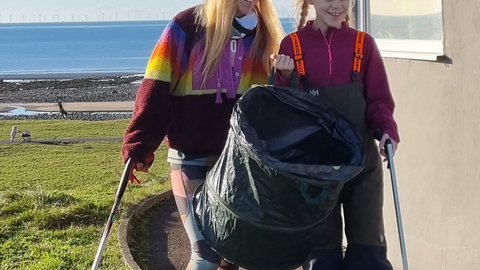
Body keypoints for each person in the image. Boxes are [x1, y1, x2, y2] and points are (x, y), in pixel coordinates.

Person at [121, 1, 284, 269]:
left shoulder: (266, 34)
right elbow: (156, 87)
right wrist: (139, 143)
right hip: (190, 159)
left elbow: (271, 104)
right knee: (206, 255)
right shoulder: (185, 27)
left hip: (240, 167)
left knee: (233, 254)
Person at [272, 0, 399, 269]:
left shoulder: (364, 45)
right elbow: (285, 111)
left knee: (369, 256)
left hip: (362, 169)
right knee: (322, 259)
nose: (337, 5)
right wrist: (283, 77)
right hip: (315, 174)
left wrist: (387, 131)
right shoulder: (291, 46)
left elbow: (379, 102)